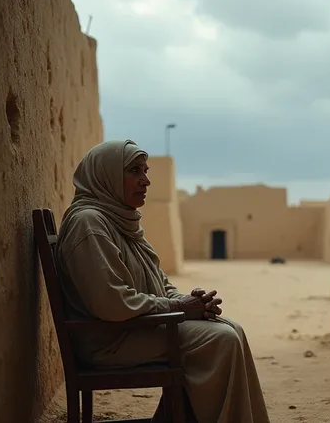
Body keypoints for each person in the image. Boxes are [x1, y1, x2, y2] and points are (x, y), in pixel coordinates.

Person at [55, 139, 270, 423]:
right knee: (223, 340)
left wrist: (187, 302)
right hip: (110, 340)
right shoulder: (90, 224)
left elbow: (156, 280)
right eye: (134, 171)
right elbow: (112, 303)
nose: (145, 181)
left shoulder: (119, 221)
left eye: (145, 171)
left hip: (133, 328)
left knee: (232, 329)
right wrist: (177, 307)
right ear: (105, 175)